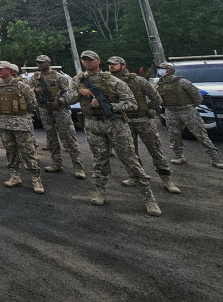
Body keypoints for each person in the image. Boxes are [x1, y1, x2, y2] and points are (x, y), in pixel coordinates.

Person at [66, 50, 162, 216]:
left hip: (115, 124)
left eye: (91, 60)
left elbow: (131, 104)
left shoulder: (112, 80)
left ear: (98, 61)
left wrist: (109, 106)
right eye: (85, 60)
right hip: (93, 125)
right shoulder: (77, 81)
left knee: (130, 160)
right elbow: (68, 100)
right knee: (99, 160)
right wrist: (80, 92)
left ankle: (149, 197)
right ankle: (100, 191)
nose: (88, 63)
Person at [107, 57, 179, 193]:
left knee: (155, 150)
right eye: (109, 64)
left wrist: (149, 109)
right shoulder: (109, 82)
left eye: (114, 64)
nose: (111, 67)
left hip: (143, 120)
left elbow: (156, 97)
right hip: (124, 121)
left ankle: (166, 179)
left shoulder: (138, 80)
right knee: (131, 153)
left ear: (123, 65)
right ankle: (135, 176)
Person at [156, 62, 223, 169]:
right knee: (174, 135)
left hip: (187, 110)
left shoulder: (182, 82)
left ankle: (215, 159)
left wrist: (190, 107)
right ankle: (179, 156)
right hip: (171, 111)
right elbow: (157, 98)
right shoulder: (159, 84)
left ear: (169, 70)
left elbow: (197, 97)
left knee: (201, 135)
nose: (160, 71)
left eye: (162, 68)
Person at [28, 55, 86, 179]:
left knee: (68, 138)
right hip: (44, 110)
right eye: (38, 62)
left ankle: (78, 167)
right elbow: (28, 91)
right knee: (51, 137)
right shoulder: (35, 78)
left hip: (60, 110)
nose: (40, 65)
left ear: (48, 62)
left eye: (42, 62)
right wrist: (35, 90)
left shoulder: (60, 77)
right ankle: (57, 164)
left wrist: (59, 102)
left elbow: (69, 94)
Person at [0, 61, 42, 193]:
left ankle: (36, 179)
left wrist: (23, 115)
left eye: (1, 69)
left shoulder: (20, 84)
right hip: (3, 124)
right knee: (10, 151)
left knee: (28, 151)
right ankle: (15, 175)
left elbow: (33, 103)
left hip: (21, 124)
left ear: (8, 70)